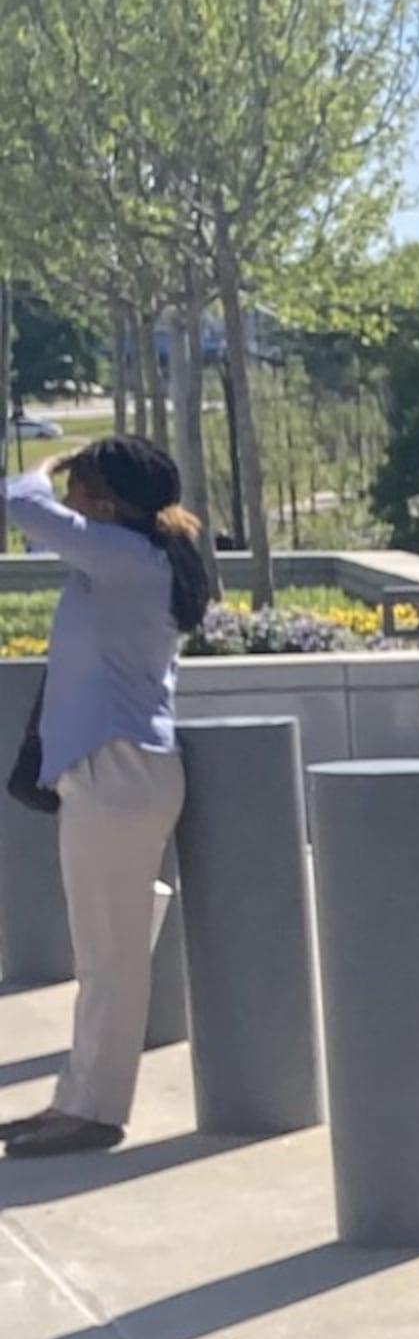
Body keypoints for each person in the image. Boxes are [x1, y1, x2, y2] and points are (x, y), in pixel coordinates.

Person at [1, 435, 209, 1159]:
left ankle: (96, 1112)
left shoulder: (125, 560)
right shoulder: (127, 561)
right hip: (116, 774)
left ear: (106, 503)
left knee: (111, 959)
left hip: (115, 774)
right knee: (105, 954)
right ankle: (78, 1100)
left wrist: (46, 463)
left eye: (78, 493)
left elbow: (16, 502)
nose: (67, 505)